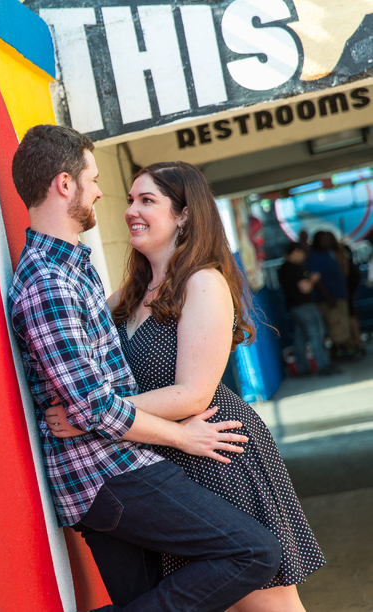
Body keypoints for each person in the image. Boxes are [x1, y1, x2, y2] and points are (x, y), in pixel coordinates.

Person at [8, 125, 281, 612]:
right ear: (65, 185)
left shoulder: (80, 269)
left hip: (143, 457)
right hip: (109, 470)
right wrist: (181, 437)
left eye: (145, 200)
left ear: (182, 216)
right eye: (94, 180)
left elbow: (111, 398)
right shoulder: (51, 283)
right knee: (252, 552)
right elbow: (92, 406)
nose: (104, 194)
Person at [51, 161, 324, 612]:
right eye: (131, 199)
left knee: (264, 604)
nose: (131, 210)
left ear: (183, 215)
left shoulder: (203, 283)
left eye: (147, 201)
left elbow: (193, 393)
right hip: (170, 459)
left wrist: (92, 415)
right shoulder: (130, 293)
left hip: (220, 452)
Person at [278, 243, 339, 376]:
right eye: (302, 253)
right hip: (305, 307)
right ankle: (323, 366)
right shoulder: (294, 268)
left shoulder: (283, 269)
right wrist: (313, 279)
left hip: (294, 308)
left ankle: (302, 368)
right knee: (316, 335)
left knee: (300, 339)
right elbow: (305, 288)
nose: (303, 257)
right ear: (295, 252)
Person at [306, 231, 356, 359]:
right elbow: (316, 280)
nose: (325, 242)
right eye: (322, 240)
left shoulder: (330, 253)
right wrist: (328, 297)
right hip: (328, 299)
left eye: (327, 239)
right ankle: (340, 352)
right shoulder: (315, 257)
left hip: (340, 294)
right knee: (335, 327)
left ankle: (344, 350)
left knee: (343, 325)